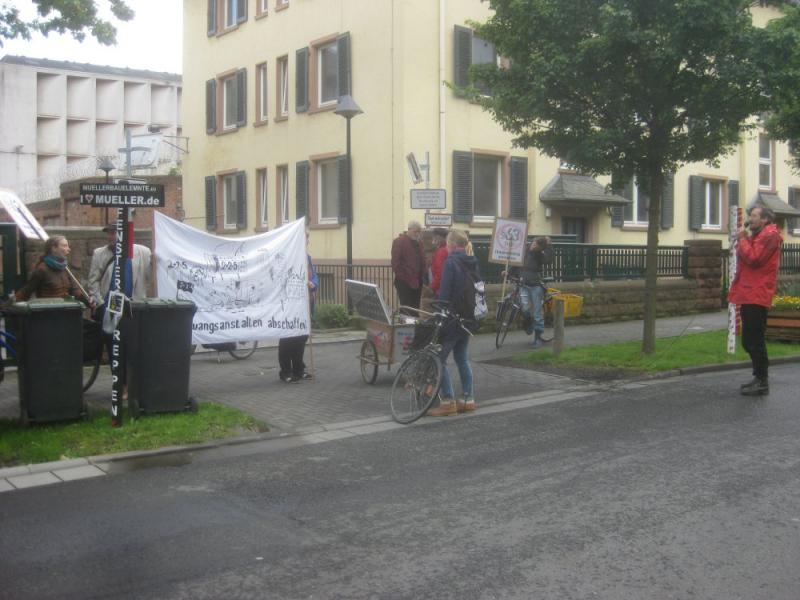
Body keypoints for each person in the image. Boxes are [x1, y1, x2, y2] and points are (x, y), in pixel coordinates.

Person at [728, 205, 783, 396]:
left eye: (754, 216)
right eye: (750, 216)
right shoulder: (758, 236)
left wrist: (743, 239)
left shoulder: (770, 236)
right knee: (748, 340)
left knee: (755, 340)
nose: (750, 219)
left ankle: (762, 381)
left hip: (757, 294)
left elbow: (754, 258)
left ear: (765, 219)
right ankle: (758, 377)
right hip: (749, 292)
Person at [427, 230, 477, 417]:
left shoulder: (451, 262)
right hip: (468, 318)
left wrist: (439, 313)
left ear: (451, 244)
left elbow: (445, 293)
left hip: (452, 318)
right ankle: (467, 399)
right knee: (462, 358)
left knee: (439, 359)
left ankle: (447, 401)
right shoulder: (472, 261)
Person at [87, 225, 152, 313]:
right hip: (110, 303)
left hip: (133, 305)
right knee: (111, 326)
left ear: (123, 234)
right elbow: (93, 281)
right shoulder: (99, 253)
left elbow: (151, 276)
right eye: (108, 234)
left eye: (113, 233)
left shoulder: (143, 252)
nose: (109, 237)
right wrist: (100, 303)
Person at [15, 236, 93, 306]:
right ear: (54, 248)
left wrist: (87, 300)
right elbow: (26, 292)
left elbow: (74, 290)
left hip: (65, 312)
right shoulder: (42, 269)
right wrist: (10, 304)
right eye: (64, 246)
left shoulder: (65, 268)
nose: (69, 249)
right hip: (48, 313)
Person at [278, 246, 318, 383]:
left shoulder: (307, 257)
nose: (307, 241)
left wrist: (313, 283)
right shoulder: (287, 256)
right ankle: (286, 371)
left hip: (305, 304)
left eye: (308, 238)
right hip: (290, 304)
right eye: (306, 238)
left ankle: (298, 369)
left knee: (301, 337)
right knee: (287, 338)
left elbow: (314, 276)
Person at [509, 236, 554, 347]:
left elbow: (549, 259)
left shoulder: (539, 255)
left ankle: (537, 338)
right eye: (534, 243)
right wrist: (508, 272)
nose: (533, 246)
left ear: (540, 248)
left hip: (536, 286)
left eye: (537, 246)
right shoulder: (524, 250)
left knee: (537, 313)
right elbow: (516, 263)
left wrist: (549, 245)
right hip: (523, 284)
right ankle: (529, 323)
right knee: (524, 308)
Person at [391, 220, 425, 314]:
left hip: (417, 281)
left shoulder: (419, 243)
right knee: (406, 307)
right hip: (404, 281)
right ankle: (406, 327)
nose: (417, 234)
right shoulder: (399, 242)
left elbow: (422, 259)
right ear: (409, 230)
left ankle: (414, 327)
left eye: (419, 231)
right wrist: (403, 276)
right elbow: (395, 263)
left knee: (415, 308)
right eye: (415, 231)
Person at [429, 228, 449, 294]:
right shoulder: (446, 249)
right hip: (444, 287)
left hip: (440, 289)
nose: (434, 239)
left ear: (440, 237)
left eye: (435, 237)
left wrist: (432, 287)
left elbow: (440, 273)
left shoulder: (442, 251)